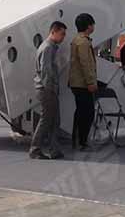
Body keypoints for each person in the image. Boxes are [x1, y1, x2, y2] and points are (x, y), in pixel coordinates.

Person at [30, 21, 68, 160]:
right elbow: (46, 71)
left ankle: (54, 149)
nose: (63, 37)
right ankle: (35, 149)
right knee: (46, 120)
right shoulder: (48, 48)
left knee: (54, 120)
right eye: (62, 34)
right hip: (46, 89)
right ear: (53, 32)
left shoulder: (49, 47)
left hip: (47, 88)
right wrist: (51, 89)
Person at [68, 13, 98, 151]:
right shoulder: (83, 42)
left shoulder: (78, 40)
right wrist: (90, 82)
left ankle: (77, 140)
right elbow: (85, 64)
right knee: (87, 113)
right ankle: (82, 141)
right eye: (92, 24)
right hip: (82, 84)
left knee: (80, 111)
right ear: (89, 26)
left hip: (77, 83)